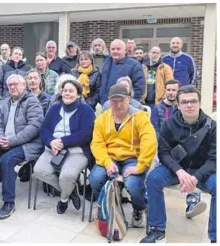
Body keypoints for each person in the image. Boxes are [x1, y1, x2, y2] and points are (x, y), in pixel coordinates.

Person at [141, 85, 216, 243]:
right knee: (153, 178)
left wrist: (195, 177)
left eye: (193, 101)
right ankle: (157, 230)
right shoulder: (168, 124)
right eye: (185, 102)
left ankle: (215, 236)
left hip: (202, 171)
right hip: (175, 169)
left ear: (199, 103)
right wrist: (180, 171)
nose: (189, 105)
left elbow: (214, 159)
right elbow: (164, 152)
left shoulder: (212, 127)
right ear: (179, 105)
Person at [89, 84, 157, 227]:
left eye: (122, 100)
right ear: (109, 101)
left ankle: (139, 208)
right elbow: (97, 144)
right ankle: (107, 204)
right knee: (94, 179)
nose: (118, 104)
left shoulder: (140, 117)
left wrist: (140, 166)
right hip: (110, 157)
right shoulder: (102, 119)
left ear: (129, 99)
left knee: (133, 184)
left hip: (132, 159)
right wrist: (107, 162)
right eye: (114, 101)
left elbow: (149, 141)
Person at [34, 80, 95, 214]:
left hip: (76, 151)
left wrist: (62, 141)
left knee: (67, 176)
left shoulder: (86, 110)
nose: (67, 93)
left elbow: (86, 134)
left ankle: (63, 198)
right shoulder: (54, 108)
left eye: (71, 91)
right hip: (53, 149)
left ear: (78, 94)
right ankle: (71, 190)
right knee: (39, 171)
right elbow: (44, 128)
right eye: (65, 90)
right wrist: (51, 141)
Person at [0, 74, 44, 219]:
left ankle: (8, 202)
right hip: (7, 141)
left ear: (24, 85)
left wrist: (12, 141)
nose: (13, 87)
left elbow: (34, 127)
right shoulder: (4, 103)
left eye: (16, 84)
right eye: (10, 85)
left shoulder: (32, 101)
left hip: (28, 144)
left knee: (7, 160)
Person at [100, 39, 145, 105]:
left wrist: (128, 104)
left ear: (125, 51)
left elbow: (139, 88)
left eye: (118, 49)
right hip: (108, 104)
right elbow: (102, 86)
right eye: (113, 49)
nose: (115, 51)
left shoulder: (135, 65)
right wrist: (104, 102)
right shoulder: (106, 64)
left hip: (126, 106)